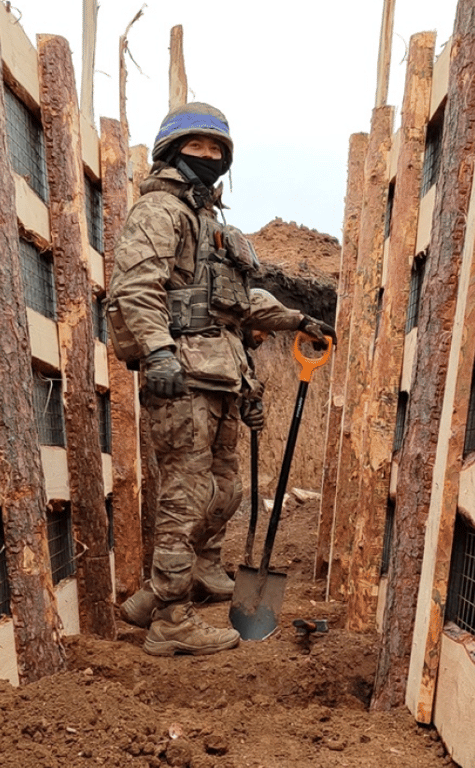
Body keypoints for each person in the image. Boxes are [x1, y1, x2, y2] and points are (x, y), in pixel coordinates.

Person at [107, 102, 334, 656]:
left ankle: (168, 590)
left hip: (219, 375)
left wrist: (296, 319)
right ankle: (171, 622)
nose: (207, 157)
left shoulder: (207, 222)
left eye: (217, 150)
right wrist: (158, 353)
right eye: (197, 146)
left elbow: (238, 301)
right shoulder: (160, 211)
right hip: (182, 373)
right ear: (170, 150)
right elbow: (136, 288)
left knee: (225, 491)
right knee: (184, 498)